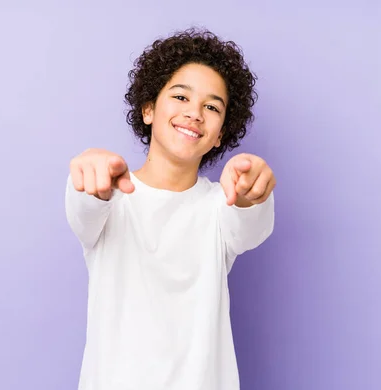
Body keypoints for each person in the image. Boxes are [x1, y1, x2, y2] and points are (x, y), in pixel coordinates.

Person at [65, 28, 276, 390]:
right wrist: (89, 174)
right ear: (148, 109)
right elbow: (84, 206)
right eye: (180, 97)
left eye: (212, 107)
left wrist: (250, 191)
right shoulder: (110, 196)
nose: (194, 113)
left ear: (221, 133)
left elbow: (251, 224)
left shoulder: (218, 207)